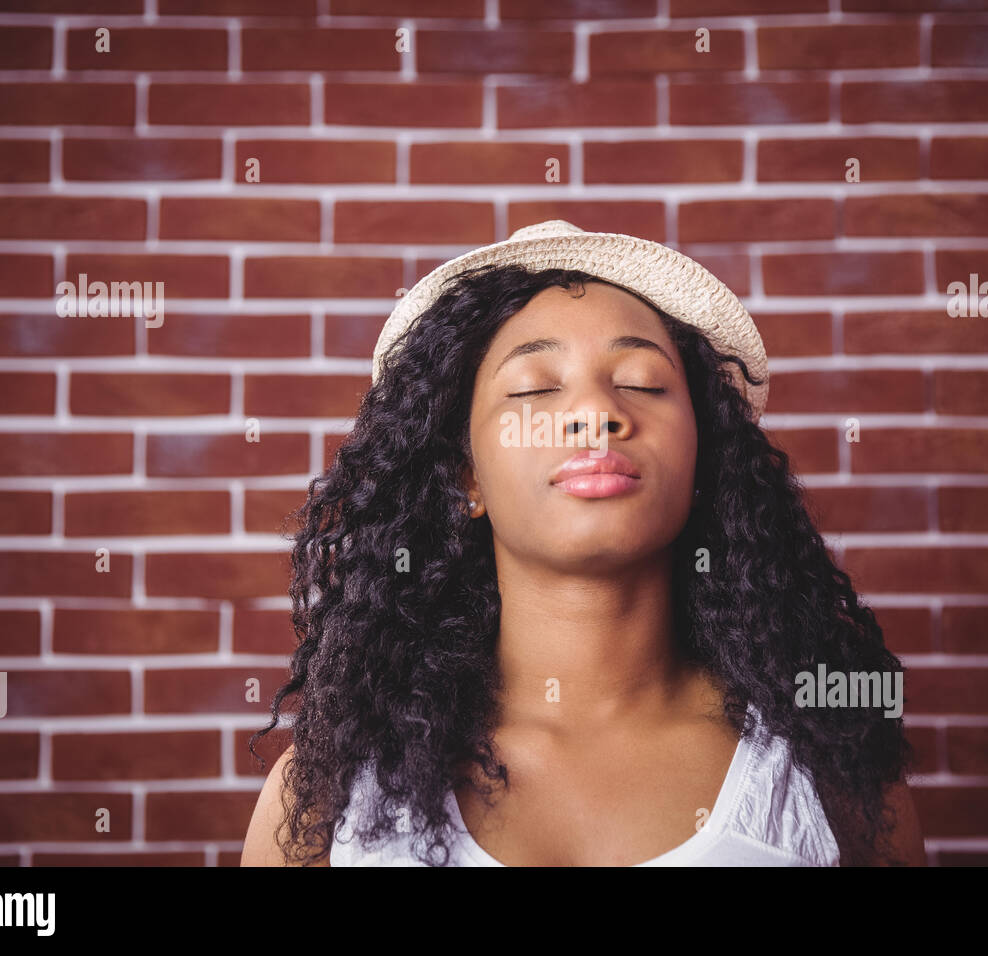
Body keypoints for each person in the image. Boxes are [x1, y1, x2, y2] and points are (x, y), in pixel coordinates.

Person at [241, 220, 926, 867]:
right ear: (465, 475)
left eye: (641, 383)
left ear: (701, 456)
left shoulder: (833, 769)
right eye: (535, 388)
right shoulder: (320, 799)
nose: (597, 413)